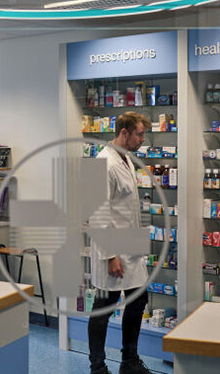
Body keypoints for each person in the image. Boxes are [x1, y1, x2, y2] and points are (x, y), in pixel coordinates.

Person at [88, 111, 153, 374]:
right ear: (123, 133)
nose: (142, 140)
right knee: (103, 308)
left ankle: (129, 361)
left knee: (138, 300)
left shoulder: (126, 159)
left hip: (131, 243)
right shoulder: (103, 162)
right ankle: (98, 367)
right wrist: (110, 255)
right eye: (139, 134)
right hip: (112, 248)